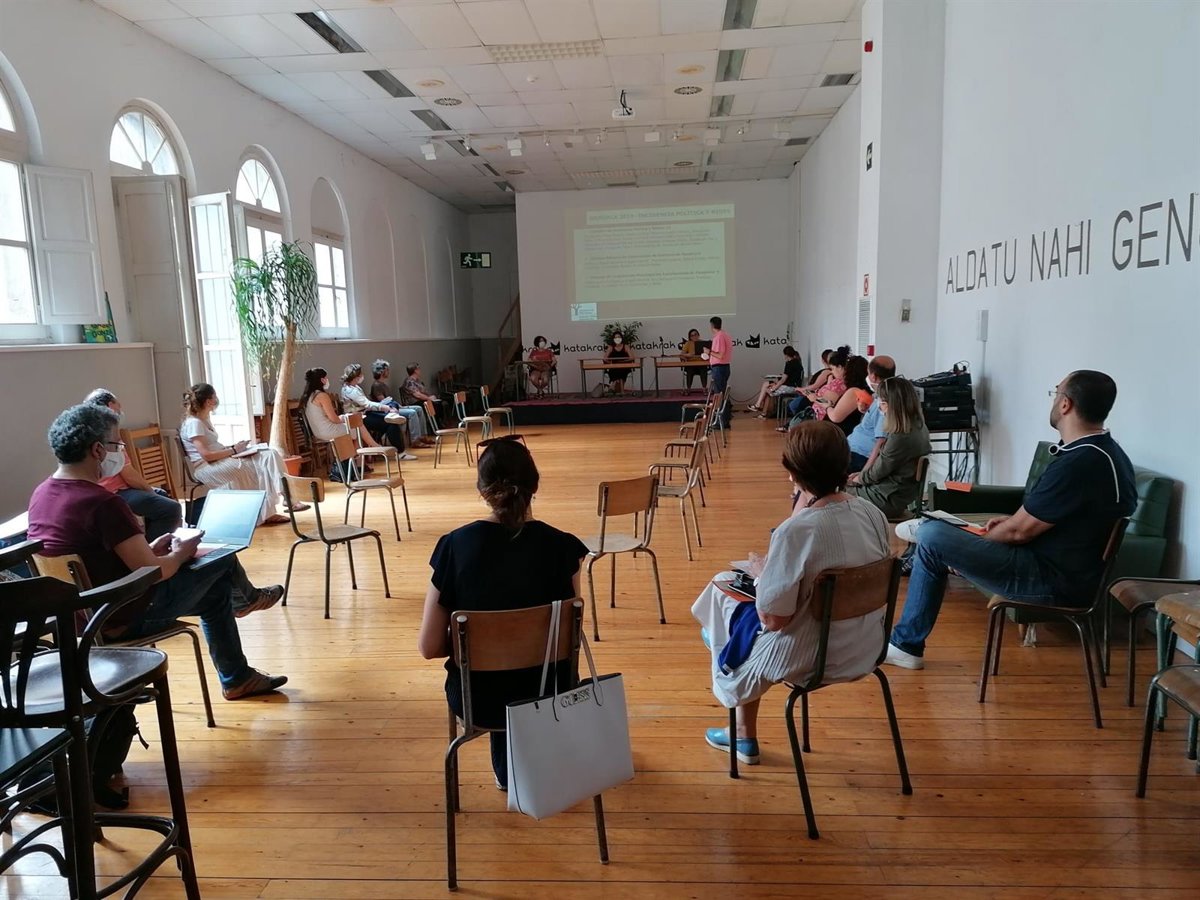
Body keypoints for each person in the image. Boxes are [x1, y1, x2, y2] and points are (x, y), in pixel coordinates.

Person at [27, 404, 287, 700]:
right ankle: (246, 604)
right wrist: (180, 552)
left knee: (216, 595)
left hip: (79, 618)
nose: (120, 452)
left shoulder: (41, 494)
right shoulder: (103, 503)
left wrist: (150, 549)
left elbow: (95, 559)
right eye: (117, 445)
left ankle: (239, 676)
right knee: (222, 557)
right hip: (119, 617)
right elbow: (155, 573)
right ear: (98, 450)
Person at [885, 371, 1136, 670]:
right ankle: (906, 643)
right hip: (1066, 573)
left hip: (1050, 581)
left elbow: (1018, 533)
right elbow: (1051, 519)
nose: (1053, 400)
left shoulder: (1080, 462)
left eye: (1056, 393)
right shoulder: (1107, 453)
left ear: (1066, 404)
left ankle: (907, 643)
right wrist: (1006, 524)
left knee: (932, 537)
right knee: (933, 544)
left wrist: (978, 540)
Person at [691, 421, 891, 764]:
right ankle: (724, 654)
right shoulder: (873, 514)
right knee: (734, 613)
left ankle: (741, 725)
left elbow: (774, 619)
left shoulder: (796, 531)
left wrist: (762, 574)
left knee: (724, 593)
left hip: (809, 655)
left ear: (794, 473)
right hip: (866, 646)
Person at [417, 437, 588, 790]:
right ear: (534, 485)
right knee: (523, 674)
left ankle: (509, 769)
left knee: (498, 677)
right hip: (550, 691)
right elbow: (566, 637)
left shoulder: (454, 547)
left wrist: (479, 644)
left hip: (479, 699)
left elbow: (429, 646)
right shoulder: (564, 547)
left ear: (482, 490)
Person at [85, 388, 283, 616]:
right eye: (115, 411)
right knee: (180, 517)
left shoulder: (56, 493)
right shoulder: (107, 502)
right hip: (132, 610)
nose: (119, 415)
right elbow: (129, 475)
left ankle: (244, 599)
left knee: (217, 593)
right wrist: (177, 556)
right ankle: (243, 595)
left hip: (109, 608)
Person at [180, 384, 288, 525]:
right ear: (208, 401)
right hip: (206, 467)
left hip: (218, 461)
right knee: (253, 467)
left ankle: (279, 502)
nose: (216, 400)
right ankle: (260, 514)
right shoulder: (194, 423)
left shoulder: (204, 420)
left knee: (268, 454)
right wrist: (234, 451)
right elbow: (206, 455)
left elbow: (212, 447)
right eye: (214, 397)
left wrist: (234, 448)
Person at [83, 388, 182, 541]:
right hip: (113, 492)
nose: (120, 410)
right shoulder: (108, 437)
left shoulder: (91, 433)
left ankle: (151, 543)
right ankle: (150, 550)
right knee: (171, 508)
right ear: (110, 406)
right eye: (118, 406)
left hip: (118, 488)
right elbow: (129, 475)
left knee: (161, 495)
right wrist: (150, 491)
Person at [847, 378, 931, 519]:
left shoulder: (900, 436)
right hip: (896, 494)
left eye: (881, 402)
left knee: (832, 492)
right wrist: (860, 476)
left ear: (889, 404)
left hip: (886, 498)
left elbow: (876, 473)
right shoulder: (918, 427)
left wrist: (856, 479)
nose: (879, 406)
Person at [340, 364, 419, 461]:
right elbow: (367, 404)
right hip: (359, 418)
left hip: (364, 413)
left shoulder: (353, 387)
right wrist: (385, 407)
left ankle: (392, 415)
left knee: (392, 404)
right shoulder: (350, 390)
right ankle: (400, 452)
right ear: (356, 376)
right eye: (361, 374)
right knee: (391, 424)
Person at [847, 356, 897, 472]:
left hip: (859, 455)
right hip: (853, 449)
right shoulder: (881, 396)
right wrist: (866, 411)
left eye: (868, 373)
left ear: (873, 376)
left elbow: (881, 442)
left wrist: (864, 474)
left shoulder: (884, 403)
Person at [368, 359, 431, 448]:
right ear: (382, 372)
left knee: (419, 408)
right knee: (412, 413)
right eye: (387, 370)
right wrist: (396, 407)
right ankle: (415, 440)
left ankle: (423, 436)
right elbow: (383, 402)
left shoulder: (383, 385)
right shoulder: (377, 385)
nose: (388, 372)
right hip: (386, 411)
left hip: (393, 407)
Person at [785, 344, 850, 426]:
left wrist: (815, 398)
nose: (832, 371)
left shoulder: (840, 385)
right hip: (815, 414)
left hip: (820, 419)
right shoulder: (836, 381)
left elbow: (829, 403)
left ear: (840, 367)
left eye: (832, 369)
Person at [748, 346, 805, 416]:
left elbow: (783, 380)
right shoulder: (798, 363)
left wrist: (774, 388)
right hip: (794, 386)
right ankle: (761, 410)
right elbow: (790, 377)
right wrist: (776, 384)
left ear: (786, 355)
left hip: (790, 388)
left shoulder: (789, 364)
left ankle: (758, 406)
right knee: (767, 386)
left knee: (767, 388)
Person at [705, 316, 732, 427]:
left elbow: (720, 355)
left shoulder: (719, 337)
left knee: (719, 395)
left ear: (712, 325)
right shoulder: (725, 335)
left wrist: (709, 352)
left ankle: (721, 422)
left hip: (719, 368)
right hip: (723, 367)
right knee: (722, 394)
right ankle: (724, 420)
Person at [603, 330, 634, 395]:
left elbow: (632, 357)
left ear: (621, 338)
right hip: (614, 367)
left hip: (625, 366)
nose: (617, 339)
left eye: (619, 337)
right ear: (613, 339)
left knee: (621, 369)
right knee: (617, 370)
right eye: (616, 337)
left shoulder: (626, 346)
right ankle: (622, 391)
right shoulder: (611, 347)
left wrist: (623, 361)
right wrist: (610, 363)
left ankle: (613, 385)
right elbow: (605, 358)